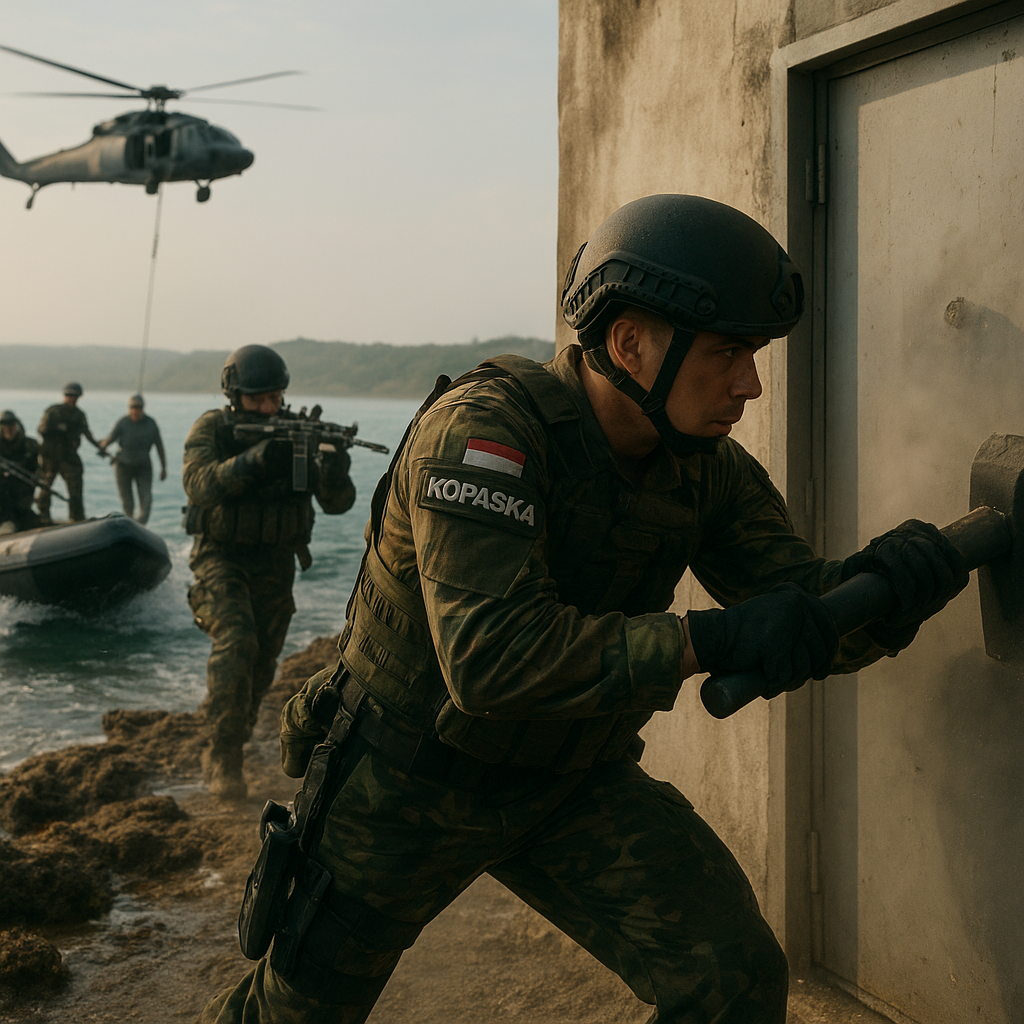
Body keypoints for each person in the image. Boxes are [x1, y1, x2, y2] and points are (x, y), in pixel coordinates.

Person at [198, 195, 968, 1024]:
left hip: (568, 780)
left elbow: (799, 613)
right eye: (728, 352)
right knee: (292, 1016)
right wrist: (711, 640)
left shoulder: (704, 467)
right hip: (409, 777)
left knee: (731, 977)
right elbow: (492, 661)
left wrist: (892, 588)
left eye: (754, 355)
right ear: (630, 344)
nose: (750, 384)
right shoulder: (486, 433)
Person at [183, 345, 356, 800]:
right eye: (258, 399)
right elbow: (198, 484)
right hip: (221, 556)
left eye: (275, 398)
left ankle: (236, 736)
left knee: (262, 661)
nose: (268, 407)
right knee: (237, 641)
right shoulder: (213, 428)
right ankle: (223, 755)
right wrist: (256, 460)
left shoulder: (299, 433)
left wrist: (334, 468)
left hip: (277, 561)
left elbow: (338, 504)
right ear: (234, 395)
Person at [36, 381, 100, 523]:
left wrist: (98, 445)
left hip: (68, 455)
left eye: (74, 396)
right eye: (69, 395)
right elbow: (42, 429)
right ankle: (43, 516)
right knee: (45, 487)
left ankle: (76, 517)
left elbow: (86, 432)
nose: (71, 399)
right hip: (51, 456)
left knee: (75, 488)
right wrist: (59, 430)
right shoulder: (53, 412)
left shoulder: (79, 415)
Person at [99, 393, 167, 525]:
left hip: (143, 467)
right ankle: (130, 525)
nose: (136, 411)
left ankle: (140, 525)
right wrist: (103, 445)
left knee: (146, 500)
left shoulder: (151, 423)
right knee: (127, 502)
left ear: (143, 409)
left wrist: (163, 467)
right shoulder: (123, 422)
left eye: (138, 408)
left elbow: (159, 446)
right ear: (129, 409)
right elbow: (111, 438)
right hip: (123, 466)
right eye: (133, 408)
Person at [0, 410, 41, 533]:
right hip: (2, 492)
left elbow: (38, 469)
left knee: (27, 520)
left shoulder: (29, 445)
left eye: (11, 426)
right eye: (5, 426)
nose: (8, 429)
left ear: (17, 426)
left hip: (21, 491)